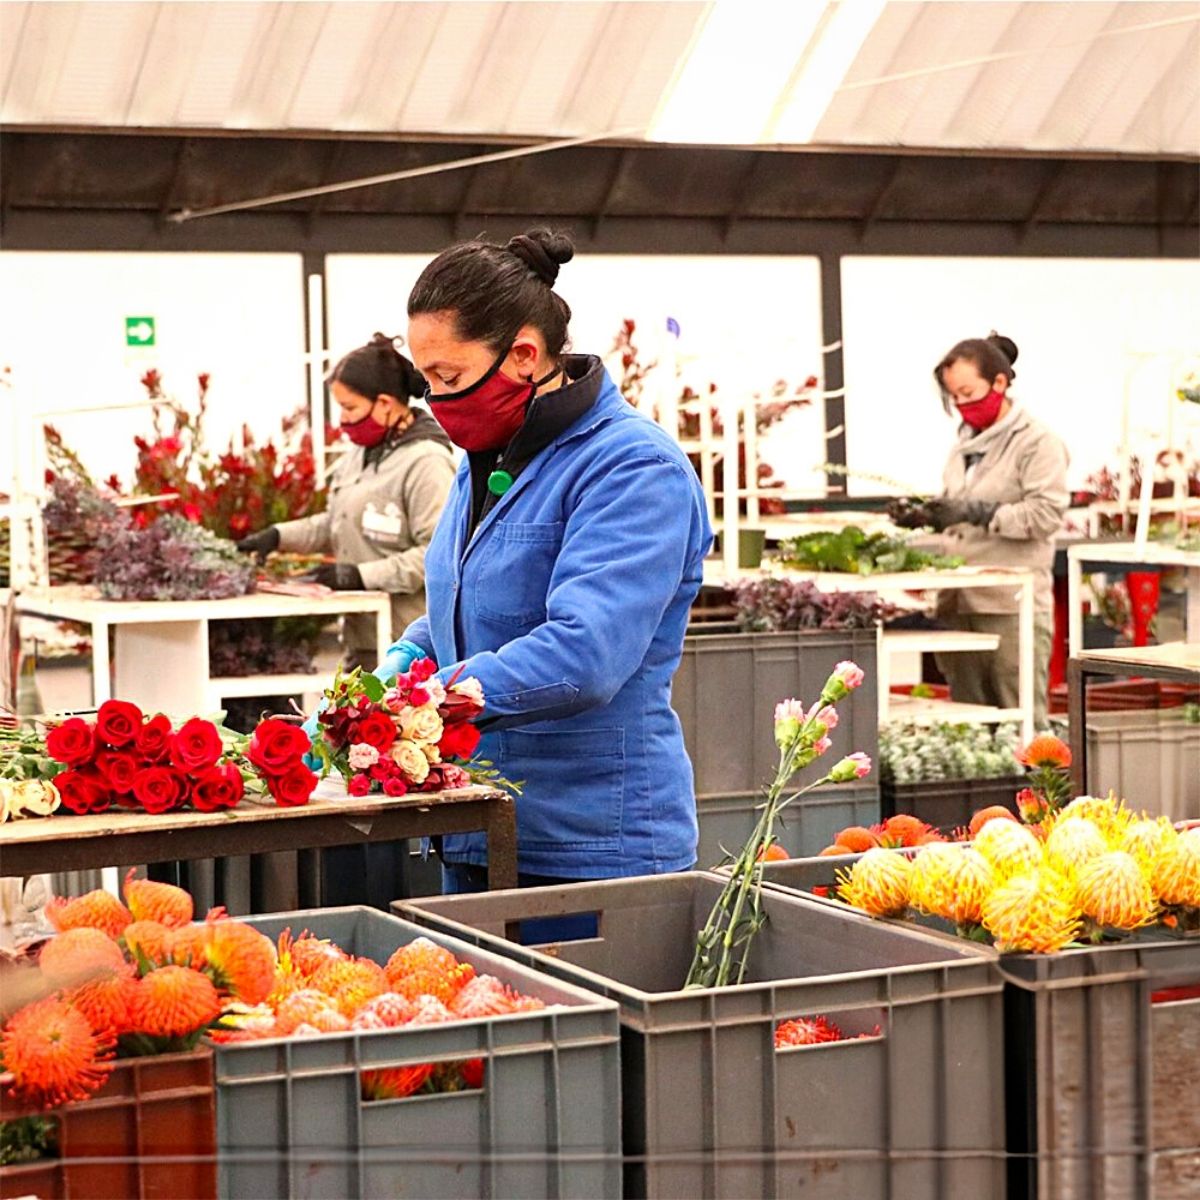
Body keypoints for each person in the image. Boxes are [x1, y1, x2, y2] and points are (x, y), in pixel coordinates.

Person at [375, 227, 713, 898]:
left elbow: (586, 654)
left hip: (589, 849)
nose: (436, 402)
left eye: (450, 378)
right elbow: (458, 610)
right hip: (479, 825)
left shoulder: (631, 467)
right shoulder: (489, 462)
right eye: (427, 381)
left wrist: (431, 702)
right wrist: (387, 680)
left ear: (525, 355)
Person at [238, 334, 455, 669]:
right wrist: (278, 535)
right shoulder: (360, 455)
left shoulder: (426, 463)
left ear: (385, 404)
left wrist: (358, 575)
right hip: (362, 640)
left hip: (407, 650)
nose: (342, 420)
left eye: (349, 407)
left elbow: (436, 555)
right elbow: (335, 523)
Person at [890, 333, 1068, 731]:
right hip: (959, 602)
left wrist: (979, 512)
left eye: (969, 393)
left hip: (1009, 604)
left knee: (1020, 720)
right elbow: (961, 510)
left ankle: (1034, 794)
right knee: (969, 722)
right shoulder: (964, 445)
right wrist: (930, 515)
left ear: (1000, 383)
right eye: (954, 397)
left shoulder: (1037, 443)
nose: (962, 405)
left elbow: (1045, 515)